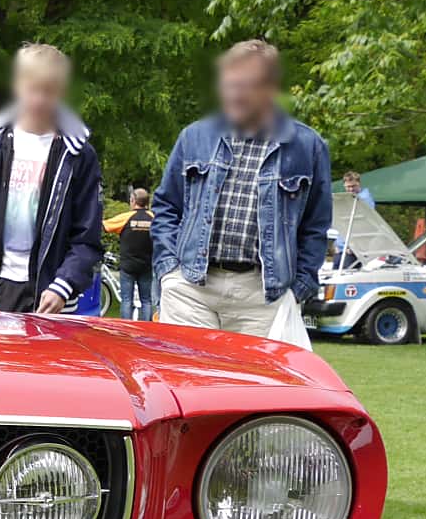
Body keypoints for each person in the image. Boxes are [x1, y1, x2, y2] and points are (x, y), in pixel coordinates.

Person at [151, 39, 330, 348]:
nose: (234, 94)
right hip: (192, 288)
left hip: (262, 295)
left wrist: (299, 288)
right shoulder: (195, 136)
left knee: (251, 380)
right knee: (188, 375)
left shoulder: (306, 146)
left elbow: (315, 226)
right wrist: (169, 270)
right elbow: (167, 206)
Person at [0, 42, 105, 313]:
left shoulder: (78, 154)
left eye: (49, 91)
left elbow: (87, 237)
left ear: (62, 92)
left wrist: (63, 285)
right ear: (17, 86)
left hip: (52, 296)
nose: (39, 99)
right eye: (32, 89)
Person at [114, 188, 156, 320]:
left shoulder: (125, 217)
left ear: (133, 201)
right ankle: (147, 328)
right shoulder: (154, 218)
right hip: (146, 265)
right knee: (146, 300)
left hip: (128, 266)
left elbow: (105, 226)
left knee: (127, 300)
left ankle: (125, 328)